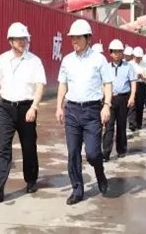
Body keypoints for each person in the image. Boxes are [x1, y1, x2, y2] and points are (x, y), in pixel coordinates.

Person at [0, 23, 47, 205]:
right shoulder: (1, 60)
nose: (21, 42)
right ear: (10, 41)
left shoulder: (34, 61)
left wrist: (34, 107)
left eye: (24, 39)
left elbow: (40, 85)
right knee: (4, 150)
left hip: (26, 108)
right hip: (5, 108)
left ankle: (31, 180)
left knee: (28, 147)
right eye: (17, 39)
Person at [56, 19, 113, 205]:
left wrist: (107, 105)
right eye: (72, 38)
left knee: (93, 153)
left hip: (92, 111)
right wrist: (59, 106)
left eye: (78, 38)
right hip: (72, 110)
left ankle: (100, 173)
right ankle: (77, 190)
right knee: (73, 153)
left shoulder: (99, 59)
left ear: (88, 38)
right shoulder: (67, 60)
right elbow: (62, 84)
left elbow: (107, 83)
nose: (75, 41)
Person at [102, 39, 136, 161]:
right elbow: (102, 83)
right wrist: (105, 97)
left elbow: (133, 82)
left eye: (119, 51)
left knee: (121, 125)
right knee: (109, 126)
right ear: (110, 53)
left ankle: (121, 150)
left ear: (122, 53)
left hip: (123, 98)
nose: (117, 54)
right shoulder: (106, 67)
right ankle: (106, 152)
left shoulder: (128, 67)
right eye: (114, 52)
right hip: (110, 99)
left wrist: (132, 97)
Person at [128, 47, 146, 131]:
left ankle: (139, 123)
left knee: (140, 105)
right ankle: (132, 123)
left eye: (140, 57)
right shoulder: (129, 64)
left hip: (141, 84)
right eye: (137, 57)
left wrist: (142, 76)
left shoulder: (144, 64)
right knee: (132, 104)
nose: (138, 59)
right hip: (132, 84)